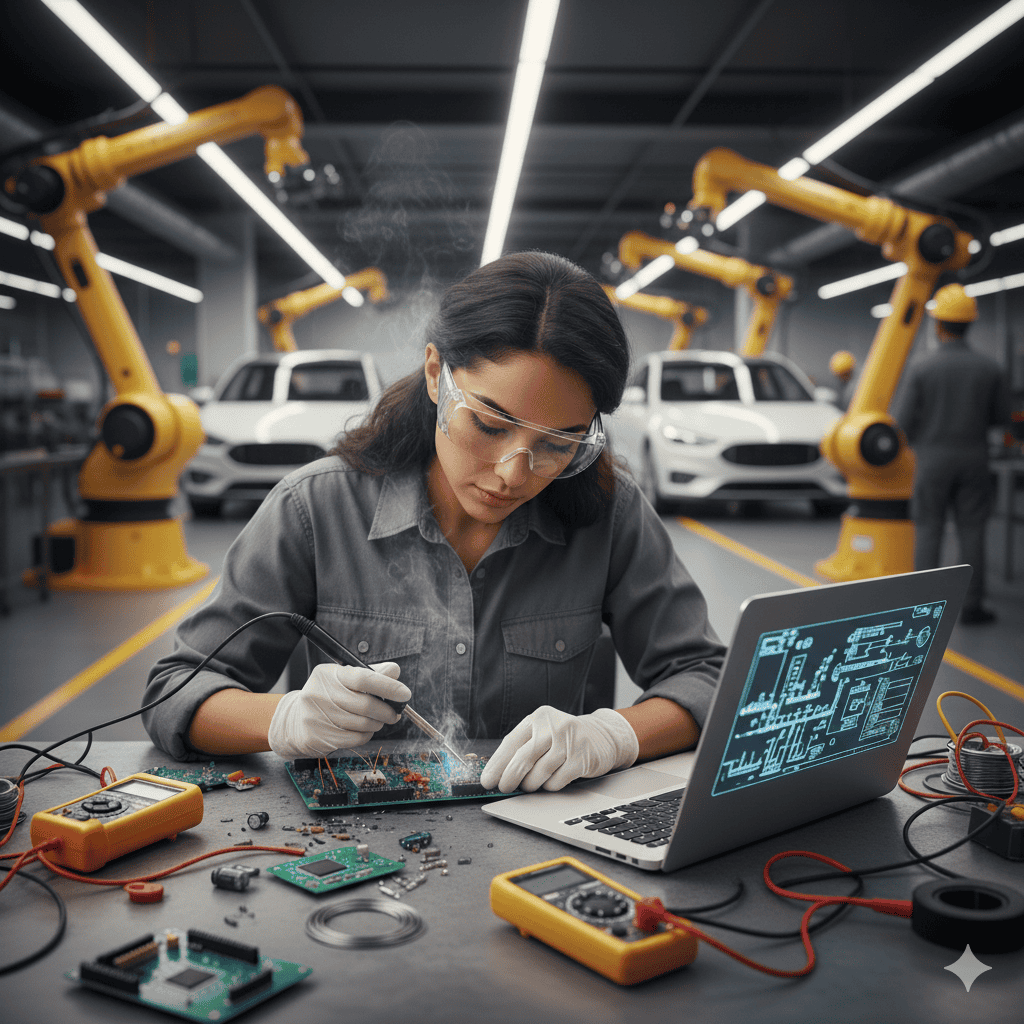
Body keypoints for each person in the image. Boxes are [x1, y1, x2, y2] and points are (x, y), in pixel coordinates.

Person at [143, 251, 726, 793]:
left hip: (539, 838)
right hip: (355, 842)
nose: (513, 474)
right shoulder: (316, 508)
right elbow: (174, 691)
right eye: (490, 425)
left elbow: (707, 676)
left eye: (556, 444)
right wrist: (283, 719)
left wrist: (615, 735)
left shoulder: (608, 512)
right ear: (434, 375)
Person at [894, 283, 1011, 625]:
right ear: (969, 323)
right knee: (972, 530)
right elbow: (1002, 418)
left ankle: (923, 606)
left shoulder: (921, 367)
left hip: (932, 460)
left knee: (929, 528)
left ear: (937, 324)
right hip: (975, 458)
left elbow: (902, 423)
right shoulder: (990, 368)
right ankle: (971, 606)